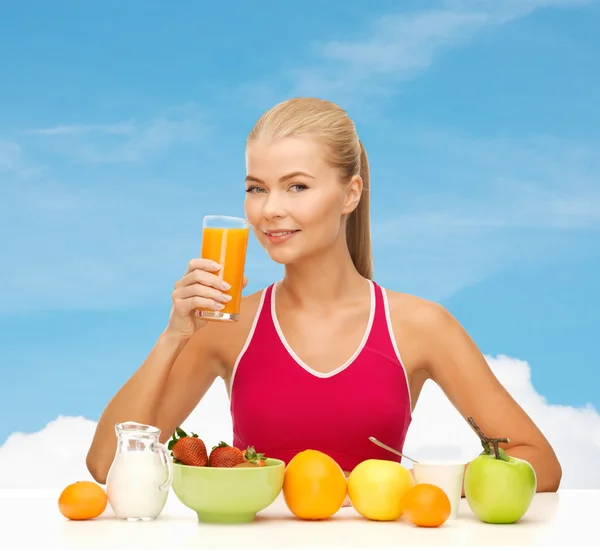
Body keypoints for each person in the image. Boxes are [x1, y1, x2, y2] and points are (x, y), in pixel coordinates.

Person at [86, 98, 562, 494]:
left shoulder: (420, 326)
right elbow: (107, 466)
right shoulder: (227, 328)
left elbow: (538, 461)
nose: (270, 210)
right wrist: (173, 336)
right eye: (257, 188)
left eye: (297, 186)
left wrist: (428, 485)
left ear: (350, 193)